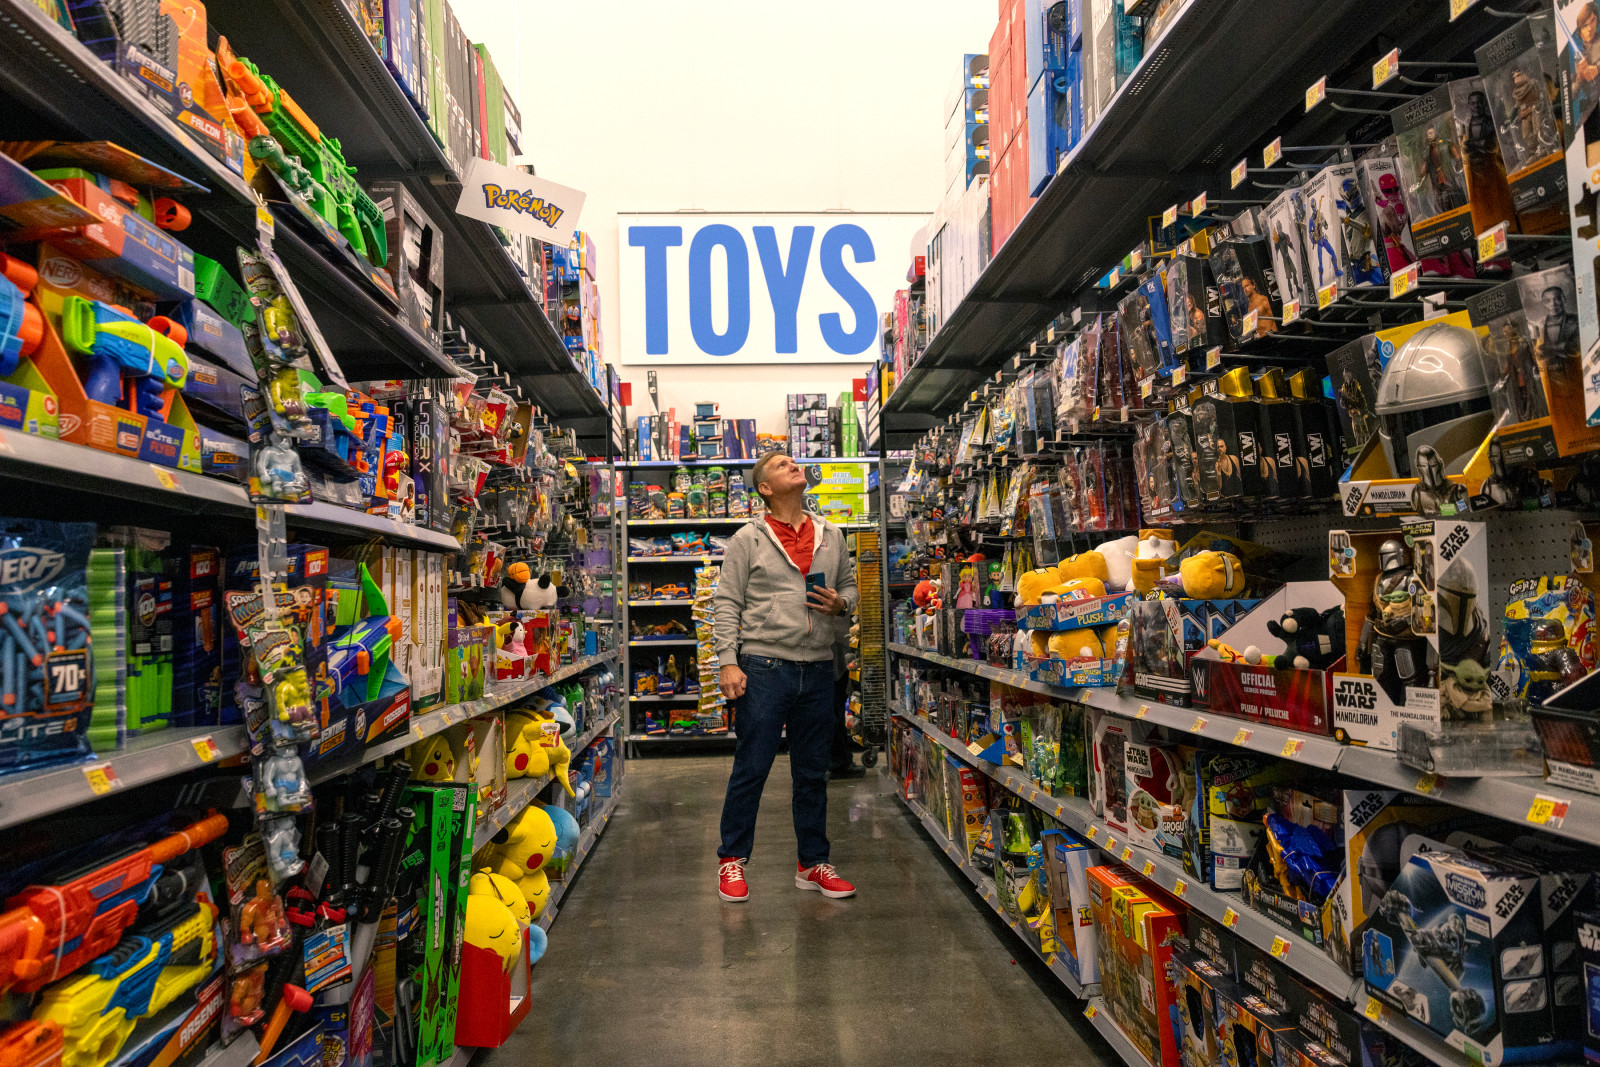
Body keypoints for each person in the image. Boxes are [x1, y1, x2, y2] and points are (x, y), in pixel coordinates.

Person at [712, 451, 859, 903]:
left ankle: (812, 863)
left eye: (794, 462)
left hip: (818, 667)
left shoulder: (832, 534)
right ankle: (732, 860)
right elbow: (726, 602)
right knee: (751, 767)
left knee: (812, 773)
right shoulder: (748, 539)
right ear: (765, 488)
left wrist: (841, 605)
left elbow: (851, 588)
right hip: (764, 667)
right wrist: (727, 661)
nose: (793, 466)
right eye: (780, 465)